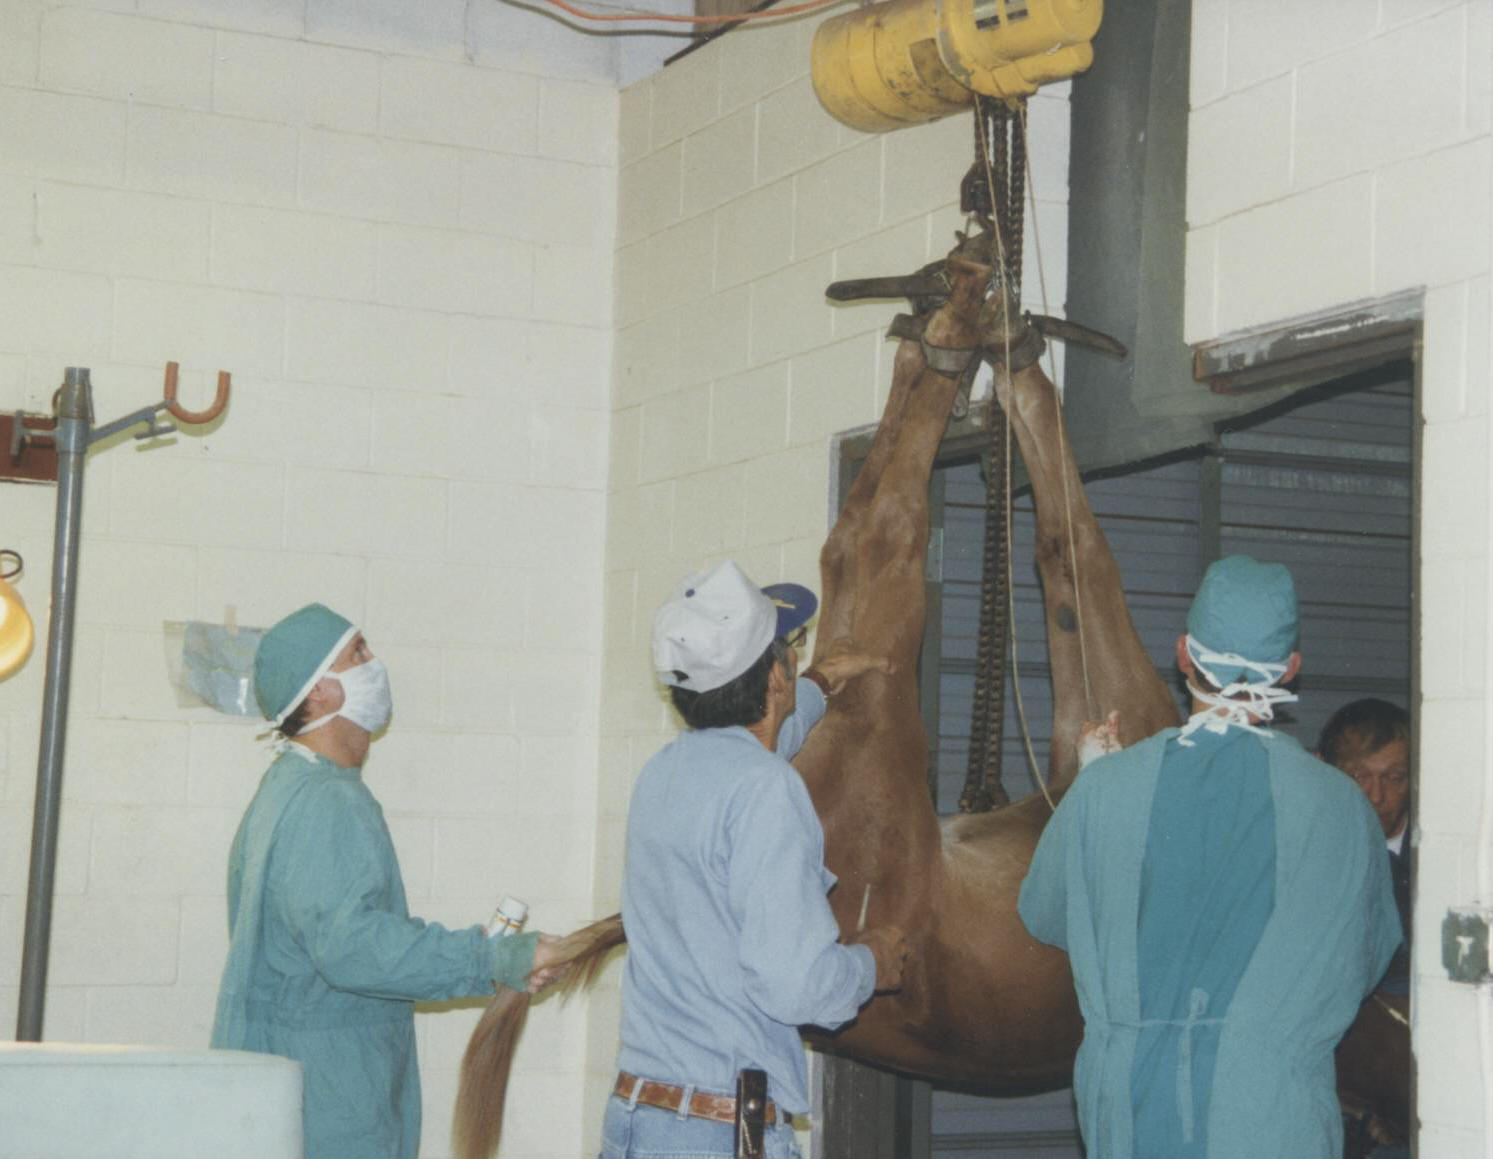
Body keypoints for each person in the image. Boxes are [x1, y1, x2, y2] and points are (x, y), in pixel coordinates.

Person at [1018, 555, 1401, 1159]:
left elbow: (1046, 914)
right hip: (1270, 1116)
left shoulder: (1109, 790)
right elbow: (1369, 953)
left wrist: (1093, 789)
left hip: (1131, 1112)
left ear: (1184, 656)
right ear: (1291, 670)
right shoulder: (1342, 807)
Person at [212, 603, 562, 1159]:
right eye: (358, 652)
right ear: (319, 691)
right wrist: (490, 958)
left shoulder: (286, 790)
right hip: (332, 1106)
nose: (375, 661)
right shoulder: (326, 801)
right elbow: (353, 948)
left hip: (304, 1095)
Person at [603, 560, 907, 1159]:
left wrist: (816, 684)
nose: (794, 659)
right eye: (790, 648)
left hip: (640, 1120)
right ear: (774, 677)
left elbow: (753, 752)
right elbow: (797, 987)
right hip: (717, 1134)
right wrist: (874, 963)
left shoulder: (664, 773)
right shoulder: (767, 791)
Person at [1318, 698, 1412, 995]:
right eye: (1360, 777)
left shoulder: (1448, 851)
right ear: (1322, 771)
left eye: (1394, 778)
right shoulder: (1311, 856)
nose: (1377, 796)